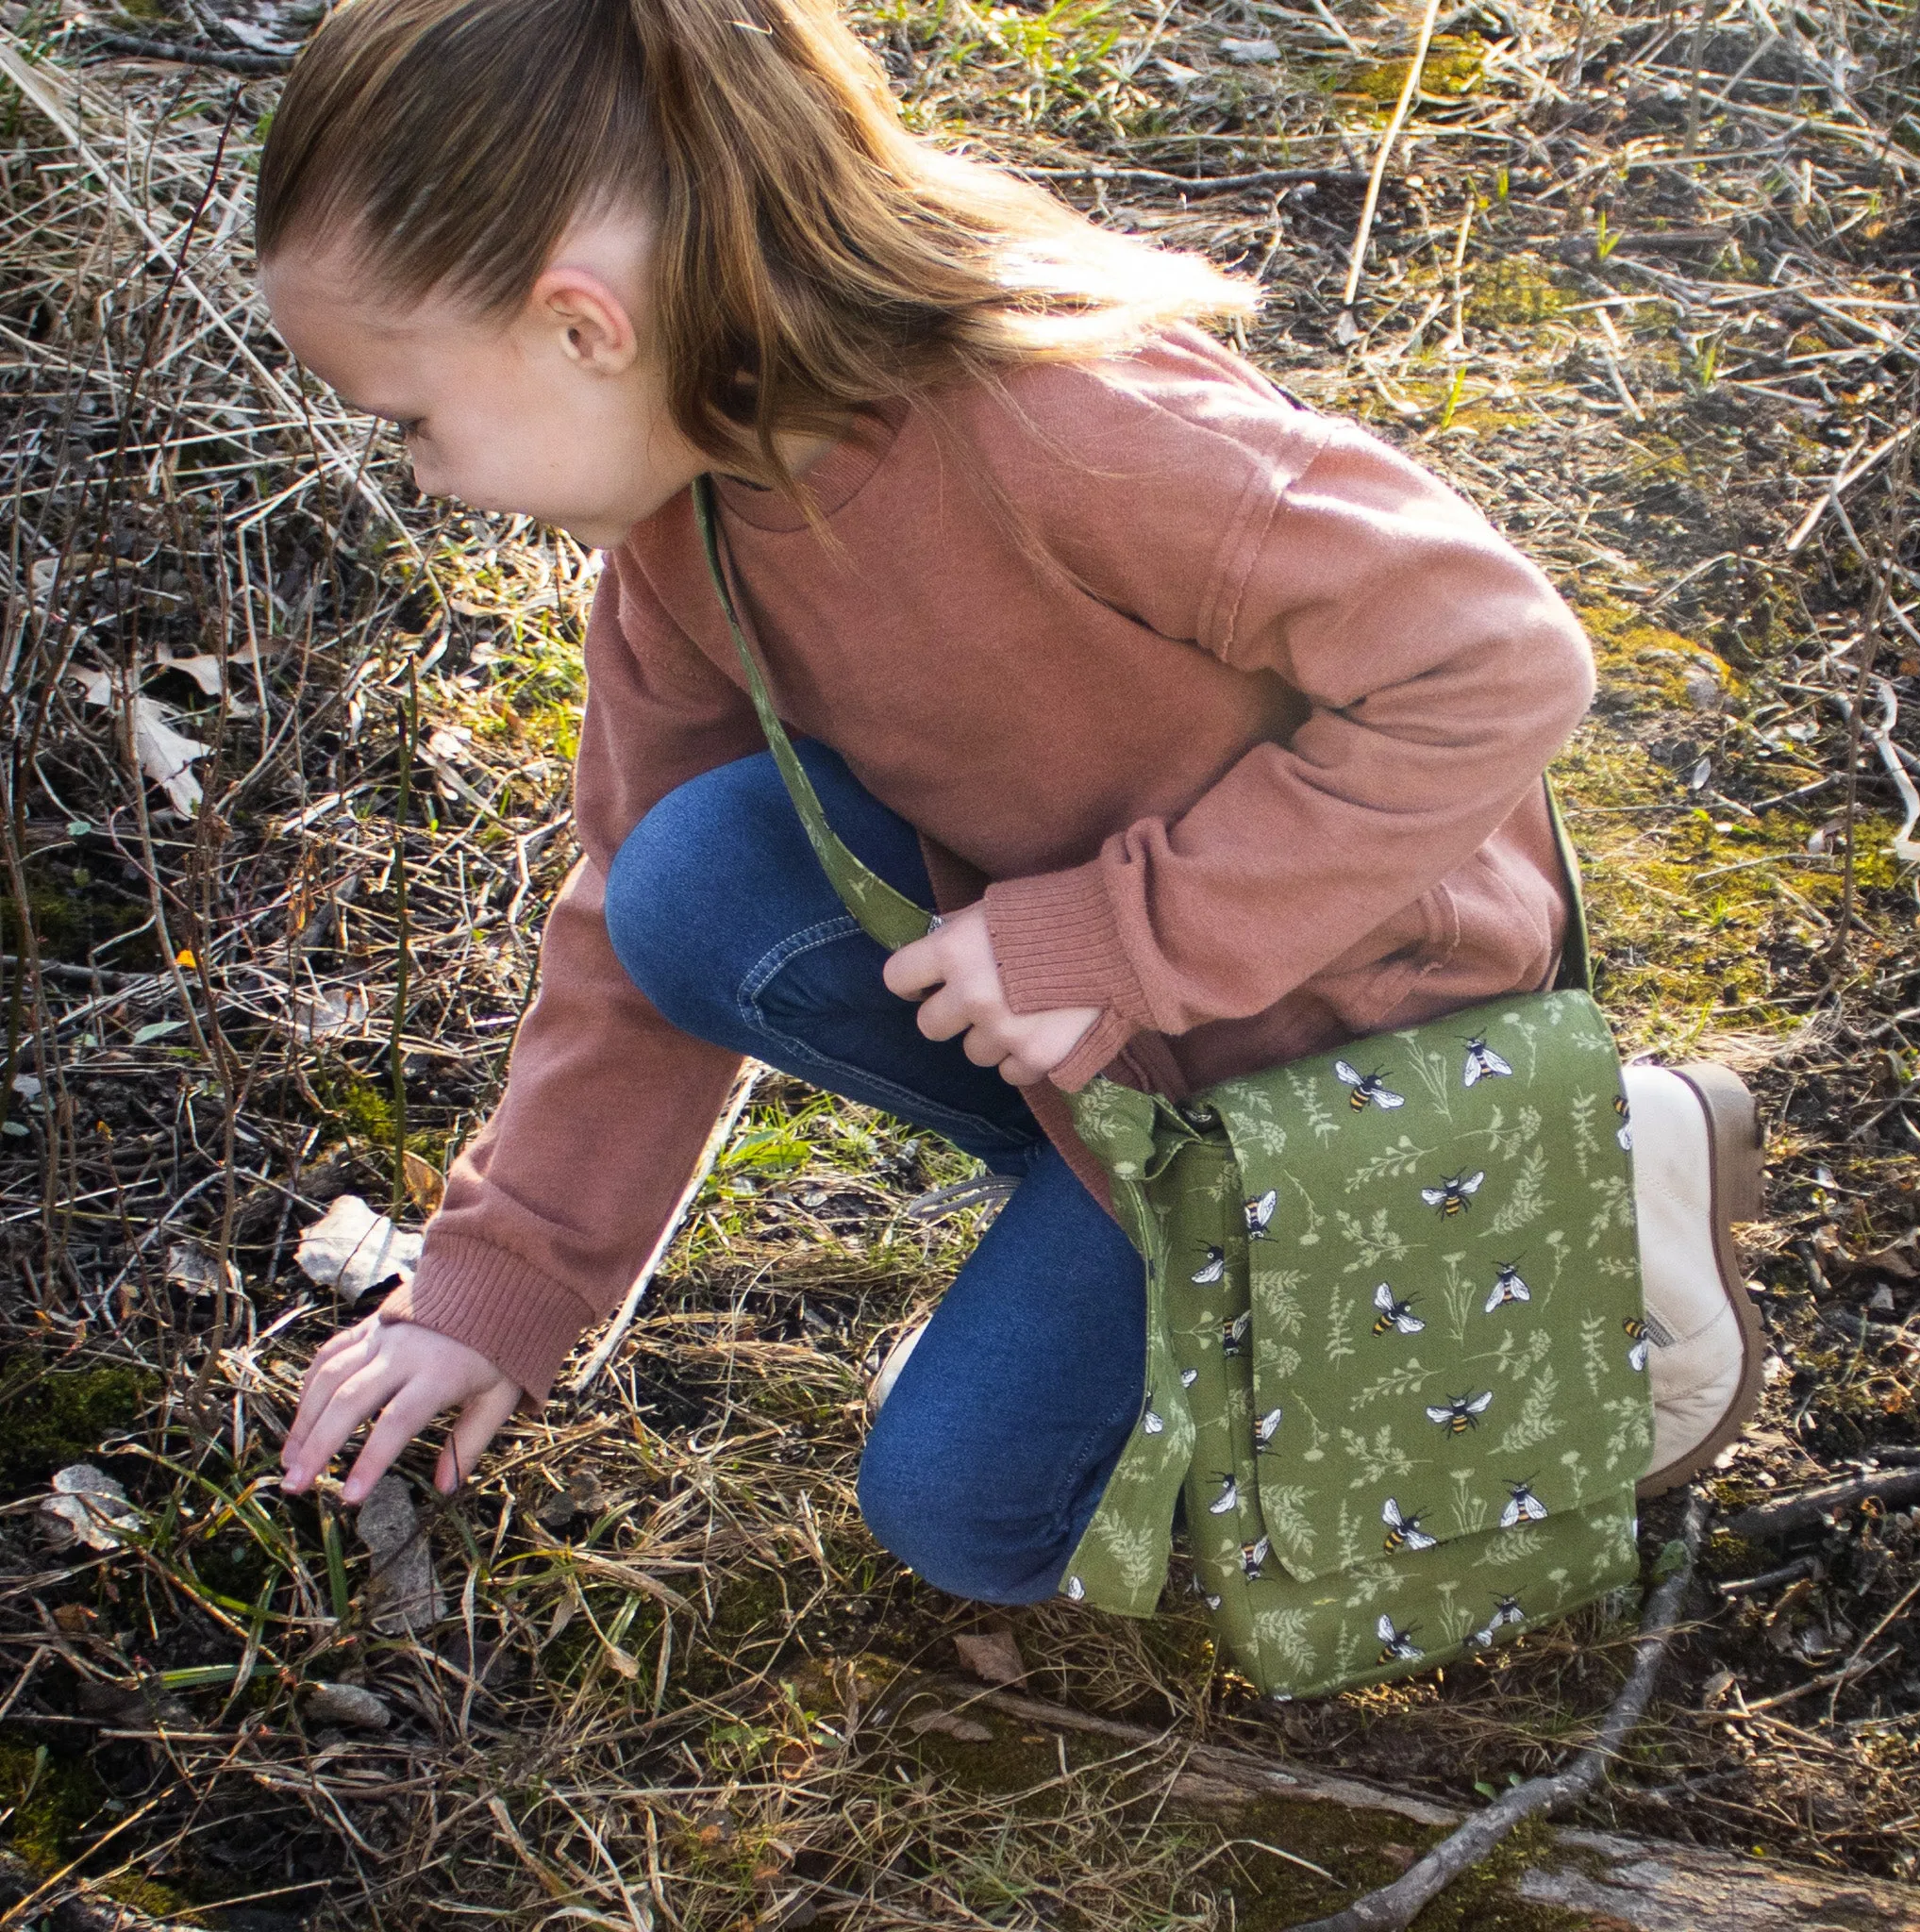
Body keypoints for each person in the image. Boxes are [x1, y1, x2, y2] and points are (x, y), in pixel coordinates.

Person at [264, 0, 1761, 1604]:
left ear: (582, 327)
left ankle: (1576, 1149)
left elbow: (1498, 660)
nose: (418, 471)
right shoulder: (679, 537)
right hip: (1109, 1046)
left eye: (410, 421)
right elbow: (630, 929)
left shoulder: (1059, 425)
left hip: (1347, 1015)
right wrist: (495, 1283)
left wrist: (1121, 937)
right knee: (688, 878)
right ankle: (1144, 1236)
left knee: (973, 1518)